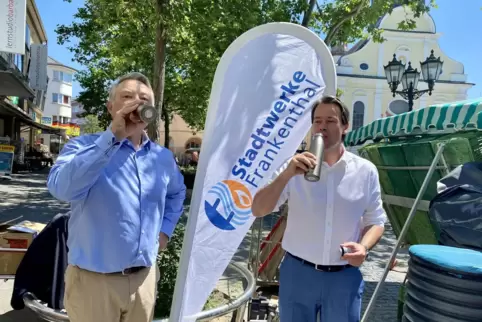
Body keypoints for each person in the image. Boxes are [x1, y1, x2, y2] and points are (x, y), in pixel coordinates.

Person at [47, 72, 186, 322]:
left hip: (143, 279)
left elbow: (177, 192)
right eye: (127, 96)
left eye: (145, 99)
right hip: (93, 284)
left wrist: (165, 230)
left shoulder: (162, 158)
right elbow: (61, 189)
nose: (137, 102)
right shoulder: (83, 146)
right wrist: (113, 137)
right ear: (112, 107)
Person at [251, 95, 387, 322]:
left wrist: (363, 248)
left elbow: (376, 221)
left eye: (331, 121)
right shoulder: (293, 167)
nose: (322, 126)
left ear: (345, 126)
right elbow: (258, 209)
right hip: (298, 273)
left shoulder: (366, 171)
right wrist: (286, 175)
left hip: (343, 277)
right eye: (317, 121)